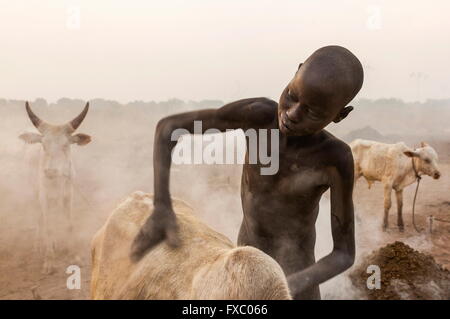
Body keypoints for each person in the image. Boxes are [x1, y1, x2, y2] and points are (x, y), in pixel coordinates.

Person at [131, 45, 364, 299]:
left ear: (340, 115)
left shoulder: (334, 158)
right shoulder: (259, 117)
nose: (292, 114)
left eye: (312, 112)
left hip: (297, 282)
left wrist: (289, 284)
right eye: (292, 95)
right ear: (296, 73)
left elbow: (343, 253)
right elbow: (169, 129)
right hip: (243, 269)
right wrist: (161, 207)